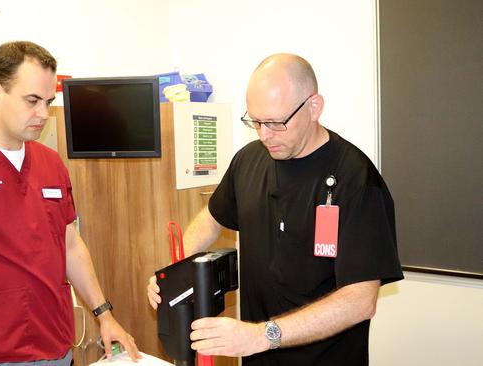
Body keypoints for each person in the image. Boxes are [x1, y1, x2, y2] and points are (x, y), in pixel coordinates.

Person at [147, 54, 403, 365]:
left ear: (314, 107)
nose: (264, 134)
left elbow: (360, 301)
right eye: (255, 121)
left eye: (275, 122)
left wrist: (260, 336)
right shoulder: (248, 161)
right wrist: (171, 276)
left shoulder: (357, 180)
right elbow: (211, 220)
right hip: (258, 358)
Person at [0, 41, 140, 366]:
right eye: (32, 100)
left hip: (57, 348)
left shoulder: (51, 164)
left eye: (48, 102)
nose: (43, 114)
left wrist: (105, 315)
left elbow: (70, 245)